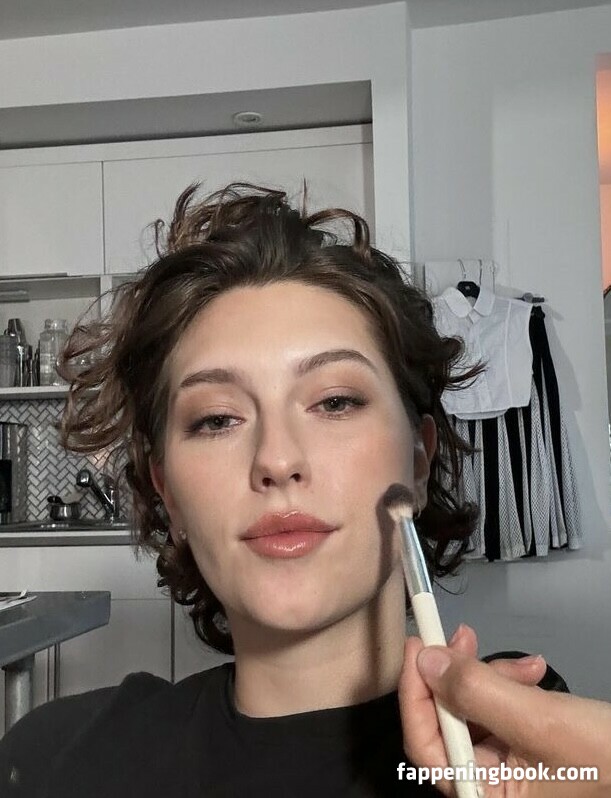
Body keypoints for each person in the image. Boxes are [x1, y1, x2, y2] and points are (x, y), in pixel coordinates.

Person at [0, 182, 608, 797]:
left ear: (418, 462)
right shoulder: (59, 763)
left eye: (335, 402)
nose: (277, 459)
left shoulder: (535, 763)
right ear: (168, 493)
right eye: (217, 419)